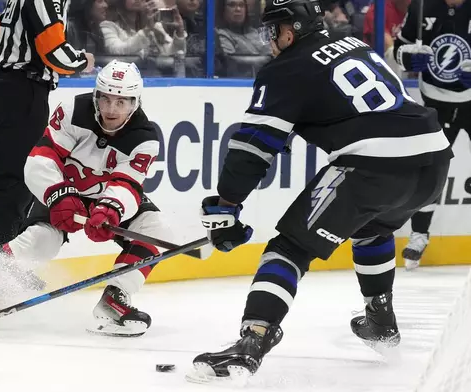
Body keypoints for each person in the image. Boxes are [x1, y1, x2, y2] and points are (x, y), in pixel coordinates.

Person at [188, 0, 453, 383]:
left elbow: (251, 147)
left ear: (291, 31)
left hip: (374, 165)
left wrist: (225, 206)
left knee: (289, 248)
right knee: (371, 227)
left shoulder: (286, 68)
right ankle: (381, 321)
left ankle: (253, 340)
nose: (271, 41)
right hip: (433, 160)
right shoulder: (356, 46)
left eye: (273, 31)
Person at [0, 60, 170, 337]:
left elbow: (127, 183)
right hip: (64, 191)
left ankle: (116, 298)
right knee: (42, 242)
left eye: (121, 102)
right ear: (96, 95)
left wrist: (109, 210)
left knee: (153, 229)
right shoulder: (73, 111)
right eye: (106, 99)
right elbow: (40, 160)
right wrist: (58, 195)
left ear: (135, 103)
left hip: (106, 197)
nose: (112, 110)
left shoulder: (144, 138)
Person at [0, 0, 95, 252]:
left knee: (22, 181)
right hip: (21, 89)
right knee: (16, 182)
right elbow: (52, 50)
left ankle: (3, 263)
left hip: (20, 88)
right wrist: (82, 61)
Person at [394, 0, 471, 270]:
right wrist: (408, 58)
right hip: (435, 102)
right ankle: (419, 235)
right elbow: (399, 48)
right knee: (430, 170)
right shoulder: (423, 5)